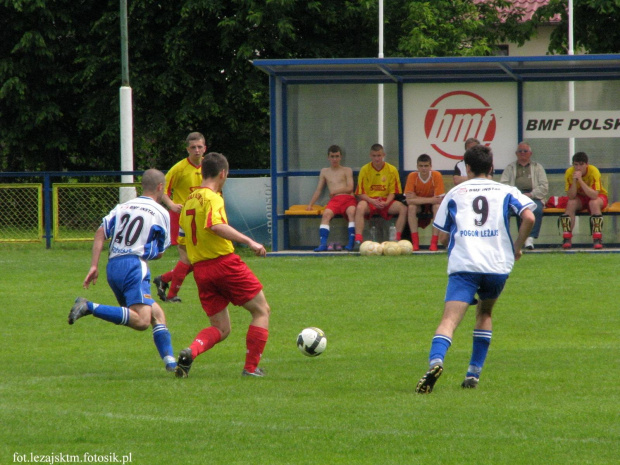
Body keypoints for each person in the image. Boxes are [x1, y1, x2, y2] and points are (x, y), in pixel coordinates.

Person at [415, 145, 535, 394]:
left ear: (467, 168)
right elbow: (530, 217)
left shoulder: (456, 192)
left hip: (465, 264)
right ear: (492, 167)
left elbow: (443, 234)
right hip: (496, 265)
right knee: (485, 313)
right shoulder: (506, 190)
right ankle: (473, 373)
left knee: (449, 320)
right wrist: (517, 247)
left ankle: (436, 362)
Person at [68, 169, 177, 372]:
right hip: (134, 266)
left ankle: (171, 364)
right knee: (142, 321)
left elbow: (100, 232)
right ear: (161, 188)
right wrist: (149, 250)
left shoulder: (123, 207)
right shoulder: (161, 212)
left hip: (113, 266)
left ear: (142, 186)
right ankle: (89, 306)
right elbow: (160, 252)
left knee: (157, 314)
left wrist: (94, 265)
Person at [174, 152, 271, 378]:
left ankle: (191, 351)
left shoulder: (188, 200)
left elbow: (182, 241)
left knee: (221, 328)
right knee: (261, 311)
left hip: (202, 271)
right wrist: (250, 241)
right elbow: (215, 225)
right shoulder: (213, 198)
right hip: (224, 264)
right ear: (223, 174)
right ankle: (251, 368)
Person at [153, 132, 206, 303]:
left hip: (201, 218)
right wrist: (171, 205)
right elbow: (162, 190)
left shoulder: (209, 166)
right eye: (193, 147)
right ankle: (171, 295)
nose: (197, 150)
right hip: (181, 217)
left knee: (196, 258)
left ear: (205, 148)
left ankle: (165, 279)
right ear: (187, 149)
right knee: (187, 258)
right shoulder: (179, 168)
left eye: (199, 147)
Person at [353, 144, 407, 248]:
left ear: (383, 155)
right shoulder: (365, 169)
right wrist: (372, 201)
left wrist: (386, 202)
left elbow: (393, 192)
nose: (377, 158)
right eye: (374, 155)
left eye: (379, 155)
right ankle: (358, 240)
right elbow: (360, 193)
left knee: (403, 209)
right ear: (370, 156)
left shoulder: (392, 169)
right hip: (370, 201)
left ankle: (397, 239)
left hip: (385, 201)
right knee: (360, 207)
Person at [306, 145, 357, 251]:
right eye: (332, 156)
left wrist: (335, 191)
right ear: (328, 157)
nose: (335, 159)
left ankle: (351, 243)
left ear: (341, 157)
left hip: (348, 198)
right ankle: (323, 244)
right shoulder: (325, 171)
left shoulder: (347, 170)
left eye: (337, 156)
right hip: (335, 200)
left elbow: (350, 188)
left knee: (352, 212)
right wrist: (310, 204)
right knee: (326, 214)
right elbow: (319, 189)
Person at [499, 142, 549, 250]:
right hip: (514, 197)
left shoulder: (537, 167)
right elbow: (503, 184)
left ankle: (529, 238)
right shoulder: (510, 167)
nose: (522, 153)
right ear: (516, 154)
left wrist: (531, 194)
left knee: (536, 209)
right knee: (503, 211)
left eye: (525, 151)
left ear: (530, 153)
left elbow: (544, 186)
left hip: (533, 196)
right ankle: (504, 239)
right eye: (520, 151)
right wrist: (515, 195)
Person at [560, 152, 608, 249]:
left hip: (598, 197)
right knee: (571, 203)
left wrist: (580, 181)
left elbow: (594, 195)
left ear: (587, 164)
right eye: (576, 165)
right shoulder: (569, 172)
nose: (578, 168)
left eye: (581, 164)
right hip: (580, 198)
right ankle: (567, 237)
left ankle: (597, 238)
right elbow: (571, 196)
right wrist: (574, 181)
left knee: (593, 203)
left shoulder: (594, 171)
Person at [404, 154, 446, 251]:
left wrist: (416, 197)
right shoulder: (412, 176)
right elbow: (409, 200)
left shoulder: (436, 175)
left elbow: (438, 200)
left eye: (426, 166)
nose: (423, 169)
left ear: (431, 166)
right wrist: (431, 199)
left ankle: (434, 242)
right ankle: (415, 243)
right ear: (417, 167)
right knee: (411, 207)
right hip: (420, 205)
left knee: (437, 207)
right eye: (421, 166)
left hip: (431, 205)